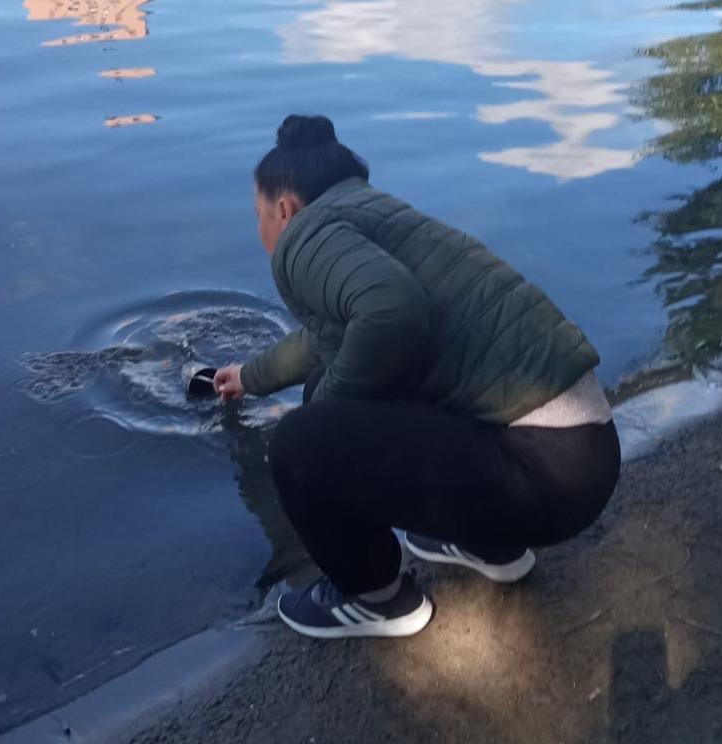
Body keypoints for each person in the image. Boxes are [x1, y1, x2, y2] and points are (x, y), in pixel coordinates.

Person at [214, 115, 620, 640]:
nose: (260, 230)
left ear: (285, 209)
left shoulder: (303, 238)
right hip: (584, 459)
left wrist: (324, 420)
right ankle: (485, 542)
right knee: (338, 385)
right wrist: (248, 377)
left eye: (258, 215)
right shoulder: (372, 211)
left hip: (537, 477)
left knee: (297, 442)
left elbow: (391, 312)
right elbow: (330, 338)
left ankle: (374, 596)